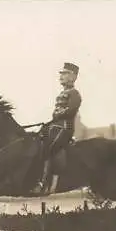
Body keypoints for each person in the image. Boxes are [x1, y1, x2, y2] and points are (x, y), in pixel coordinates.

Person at [31, 62, 82, 194]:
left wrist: (57, 114)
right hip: (55, 127)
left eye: (65, 74)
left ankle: (44, 183)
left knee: (48, 148)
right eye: (62, 74)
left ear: (73, 77)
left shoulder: (74, 93)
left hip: (64, 128)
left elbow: (70, 111)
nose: (61, 76)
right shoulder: (62, 93)